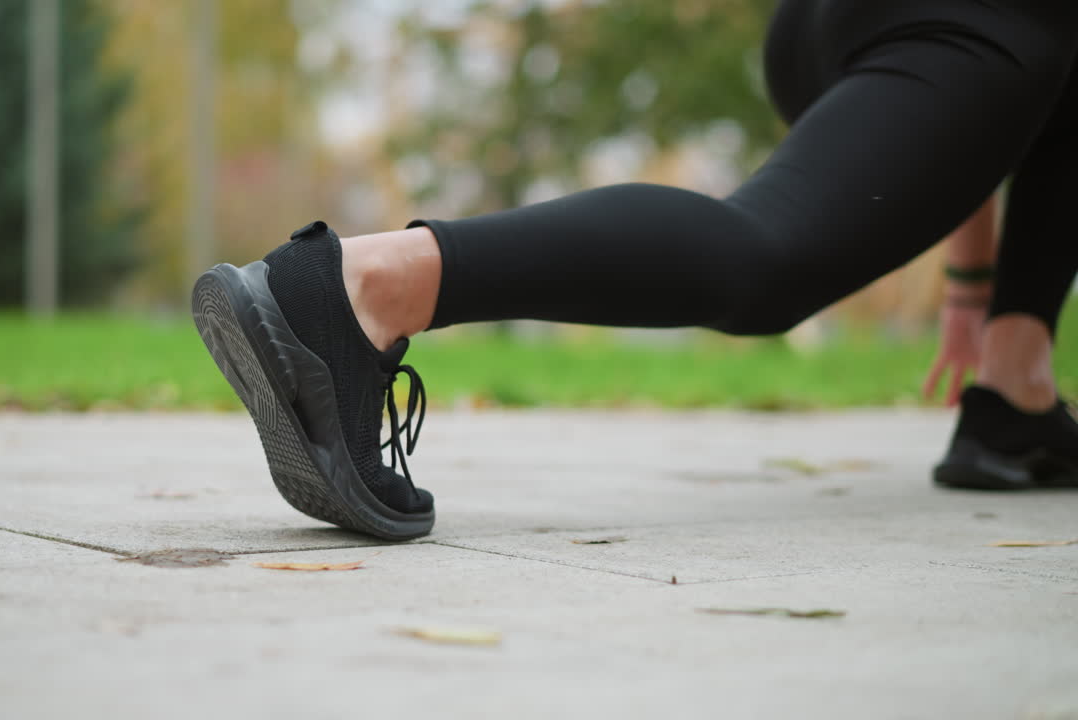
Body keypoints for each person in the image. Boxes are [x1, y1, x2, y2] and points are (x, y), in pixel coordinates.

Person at [192, 0, 1078, 540]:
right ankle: (357, 286)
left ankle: (1014, 395)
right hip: (973, 14)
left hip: (824, 24)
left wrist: (974, 292)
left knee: (1051, 80)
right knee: (766, 258)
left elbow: (987, 122)